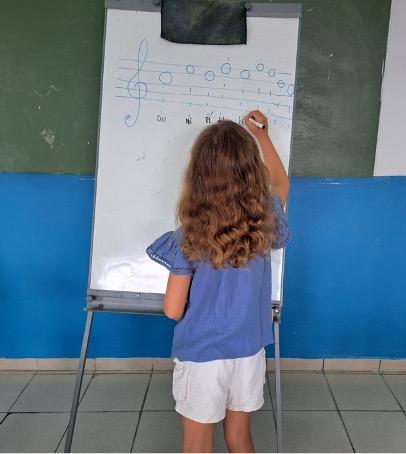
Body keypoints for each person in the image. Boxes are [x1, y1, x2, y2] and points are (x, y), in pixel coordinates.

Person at [145, 110, 291, 453]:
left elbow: (171, 310)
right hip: (248, 352)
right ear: (252, 172)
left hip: (202, 355)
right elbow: (281, 184)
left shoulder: (188, 237)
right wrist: (263, 136)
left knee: (197, 444)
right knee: (240, 438)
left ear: (199, 175)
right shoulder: (264, 222)